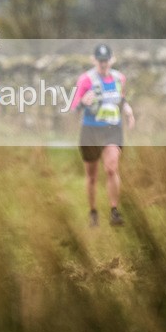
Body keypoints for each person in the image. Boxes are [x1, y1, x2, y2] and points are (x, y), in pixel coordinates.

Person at [71, 43, 135, 227]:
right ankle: (93, 212)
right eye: (100, 61)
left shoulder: (119, 78)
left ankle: (114, 211)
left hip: (112, 130)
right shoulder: (85, 80)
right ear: (94, 61)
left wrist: (129, 111)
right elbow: (74, 107)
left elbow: (121, 100)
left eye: (106, 60)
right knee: (91, 175)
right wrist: (83, 102)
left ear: (111, 60)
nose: (103, 64)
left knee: (111, 168)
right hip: (90, 130)